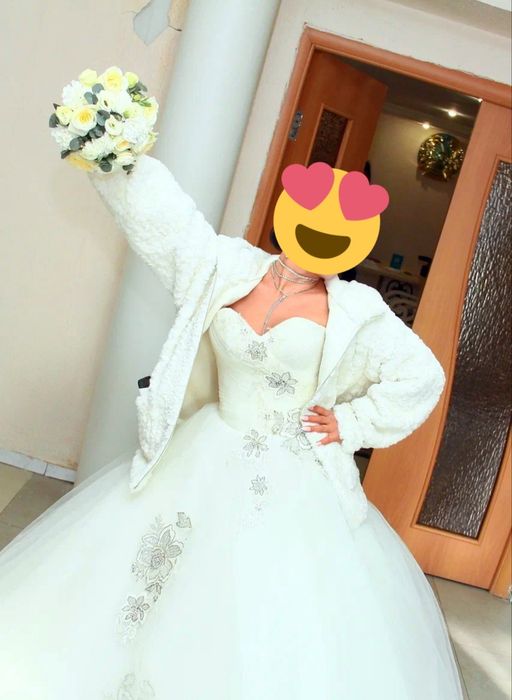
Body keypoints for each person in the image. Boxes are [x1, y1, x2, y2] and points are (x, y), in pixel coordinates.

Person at [0, 154, 464, 699]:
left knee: (260, 595)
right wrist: (117, 160)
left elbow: (422, 376)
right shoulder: (227, 266)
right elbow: (168, 221)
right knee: (151, 570)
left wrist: (352, 422)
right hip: (207, 445)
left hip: (295, 473)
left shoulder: (359, 310)